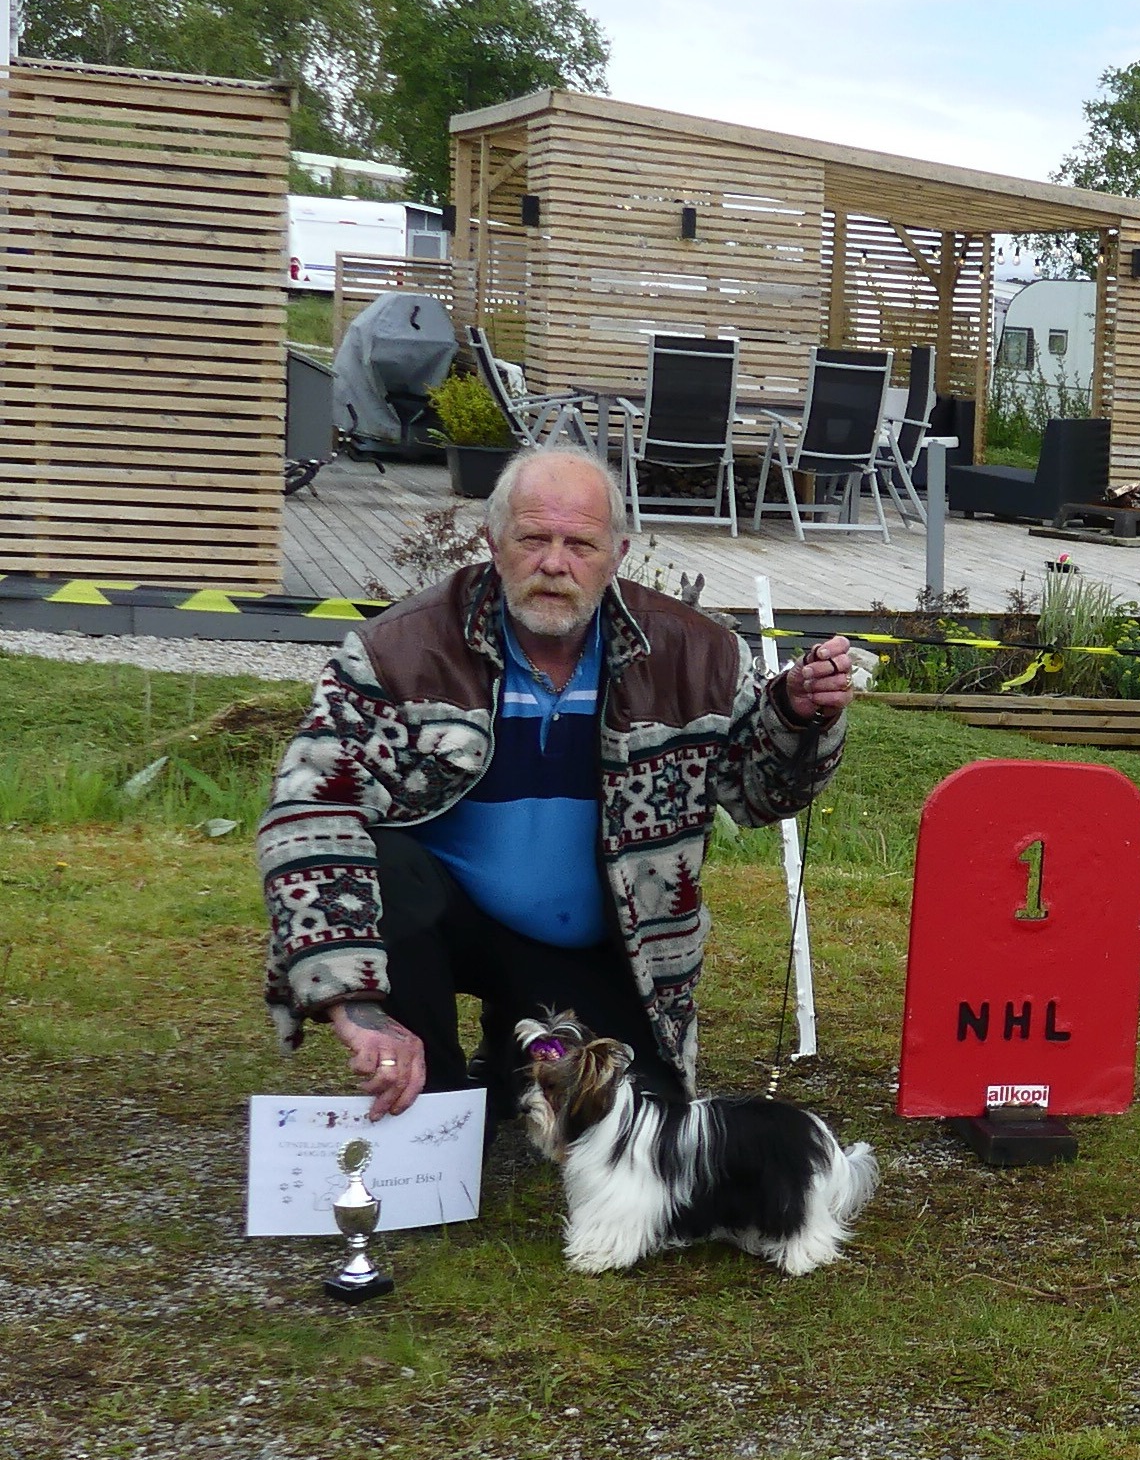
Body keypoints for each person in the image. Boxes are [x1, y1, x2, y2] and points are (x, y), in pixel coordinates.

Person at [258, 444, 851, 1126]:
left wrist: (796, 717)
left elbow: (763, 796)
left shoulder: (701, 654)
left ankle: (513, 1053)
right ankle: (431, 1112)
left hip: (605, 950)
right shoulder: (395, 651)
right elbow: (305, 814)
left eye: (580, 545)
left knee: (635, 1123)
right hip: (449, 924)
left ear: (617, 554)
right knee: (390, 866)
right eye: (533, 539)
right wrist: (357, 1006)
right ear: (492, 542)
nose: (554, 563)